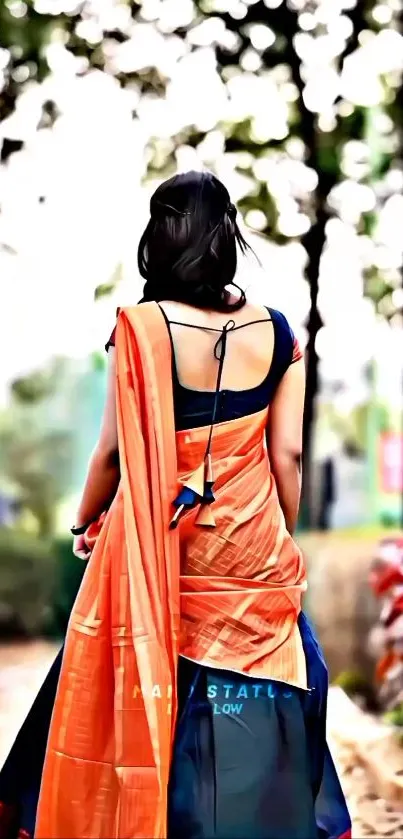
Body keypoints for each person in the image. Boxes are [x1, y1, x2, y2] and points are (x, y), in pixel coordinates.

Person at [0, 170, 351, 839]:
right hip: (250, 550)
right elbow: (287, 457)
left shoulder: (140, 327)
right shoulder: (279, 334)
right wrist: (276, 530)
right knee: (254, 689)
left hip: (160, 547)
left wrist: (85, 521)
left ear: (157, 241)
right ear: (226, 237)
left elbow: (109, 453)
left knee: (143, 685)